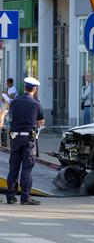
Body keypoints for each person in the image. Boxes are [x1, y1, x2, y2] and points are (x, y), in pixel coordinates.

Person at [6, 77, 45, 205]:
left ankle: (11, 196)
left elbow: (10, 114)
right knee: (27, 168)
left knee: (13, 167)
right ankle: (25, 197)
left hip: (15, 138)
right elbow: (40, 122)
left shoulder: (15, 101)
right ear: (35, 89)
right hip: (28, 139)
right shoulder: (36, 103)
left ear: (25, 87)